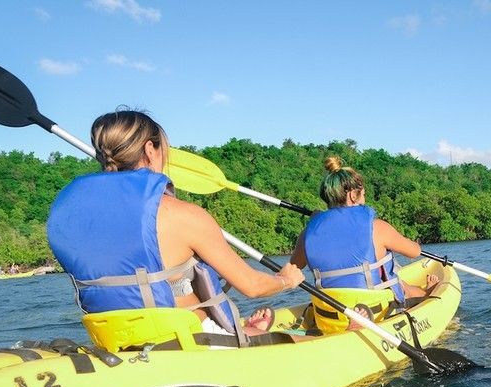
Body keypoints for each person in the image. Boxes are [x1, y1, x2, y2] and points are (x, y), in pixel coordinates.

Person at [46, 109, 304, 346]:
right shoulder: (182, 215)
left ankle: (250, 330)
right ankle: (249, 333)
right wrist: (286, 280)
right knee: (300, 340)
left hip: (115, 341)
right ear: (149, 149)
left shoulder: (66, 218)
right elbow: (253, 286)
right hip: (189, 339)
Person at [289, 156, 438, 333]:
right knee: (392, 278)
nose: (365, 197)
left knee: (398, 281)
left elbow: (294, 267)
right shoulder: (377, 227)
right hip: (372, 309)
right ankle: (428, 294)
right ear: (353, 195)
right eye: (364, 193)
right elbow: (415, 251)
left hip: (329, 314)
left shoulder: (307, 234)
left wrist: (320, 222)